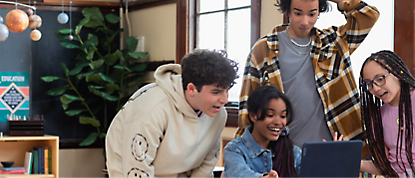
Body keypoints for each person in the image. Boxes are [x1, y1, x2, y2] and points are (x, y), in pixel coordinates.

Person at [236, 0, 380, 152]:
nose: (305, 21)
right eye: (298, 13)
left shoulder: (334, 43)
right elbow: (247, 108)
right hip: (281, 155)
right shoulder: (263, 50)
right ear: (288, 10)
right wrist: (241, 156)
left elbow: (369, 16)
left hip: (335, 151)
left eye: (311, 14)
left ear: (319, 12)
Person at [105, 49, 238, 178]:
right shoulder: (152, 107)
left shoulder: (218, 114)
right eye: (216, 92)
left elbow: (207, 164)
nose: (224, 100)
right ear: (191, 89)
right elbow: (137, 167)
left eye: (227, 90)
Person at [223, 86, 301, 178]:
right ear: (253, 116)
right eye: (270, 115)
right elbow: (238, 174)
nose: (278, 122)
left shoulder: (294, 152)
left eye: (283, 116)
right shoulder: (235, 150)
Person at [359, 50, 415, 178]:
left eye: (380, 79)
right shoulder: (378, 118)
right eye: (369, 83)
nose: (376, 88)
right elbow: (383, 167)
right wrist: (351, 160)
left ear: (396, 72)